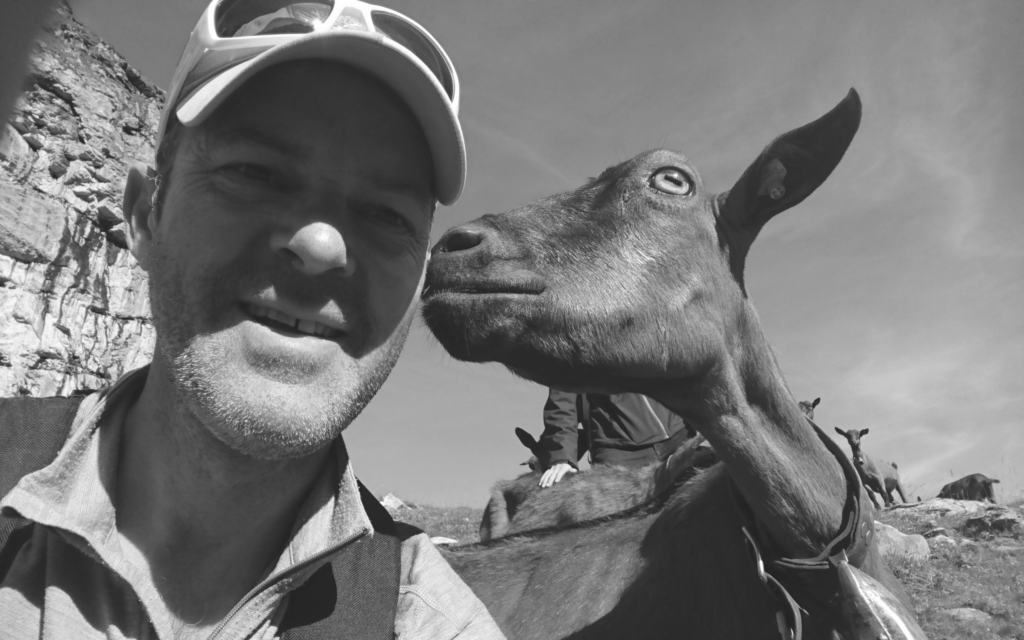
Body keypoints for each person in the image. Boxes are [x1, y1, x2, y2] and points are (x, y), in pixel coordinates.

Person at [0, 1, 504, 638]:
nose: (321, 246)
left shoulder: (428, 622)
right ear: (143, 216)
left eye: (385, 215)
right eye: (255, 173)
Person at [536, 388, 692, 488]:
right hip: (617, 451)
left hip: (680, 432)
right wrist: (562, 457)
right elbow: (562, 401)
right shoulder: (567, 342)